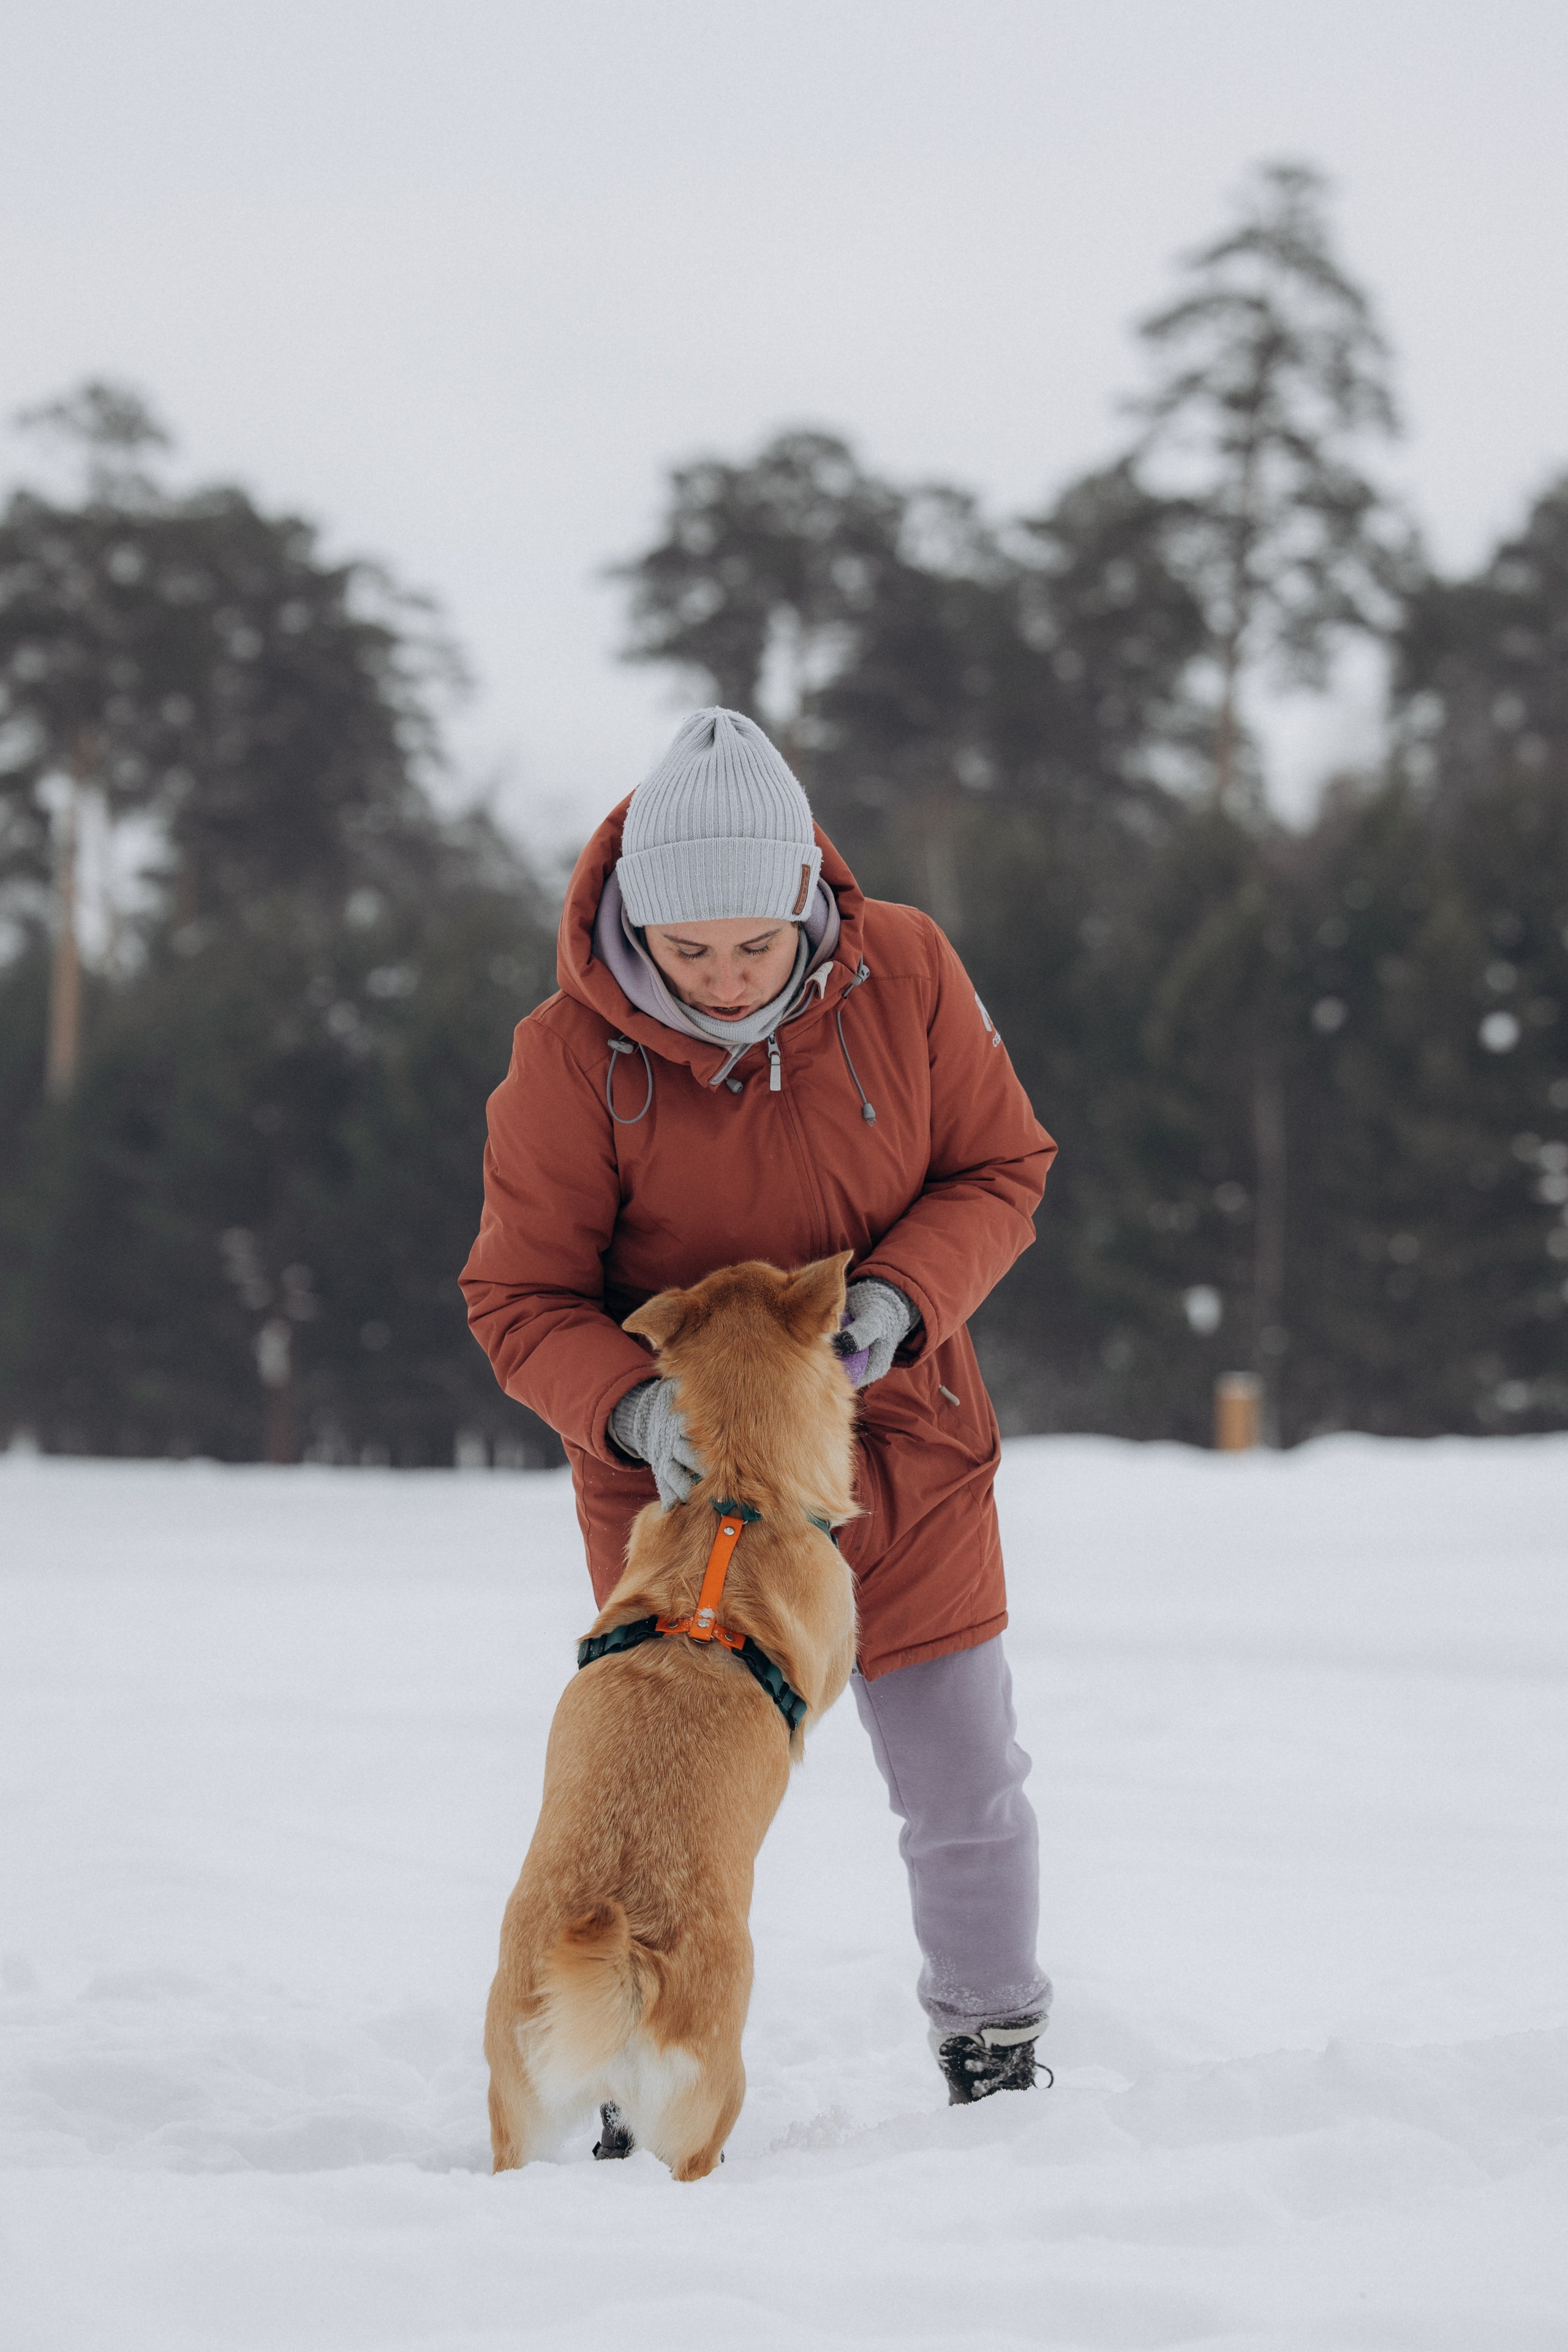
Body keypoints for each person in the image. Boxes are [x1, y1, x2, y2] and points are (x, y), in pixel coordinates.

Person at [460, 707, 1058, 2105]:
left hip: (895, 1448)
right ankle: (616, 2070)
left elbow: (999, 1168)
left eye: (754, 945)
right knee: (660, 1808)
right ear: (632, 928)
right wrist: (635, 1414)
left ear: (803, 900)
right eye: (688, 953)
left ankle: (993, 2044)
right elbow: (518, 1297)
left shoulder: (903, 969)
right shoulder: (568, 1059)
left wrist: (900, 1302)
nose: (724, 979)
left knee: (961, 1772)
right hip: (685, 1506)